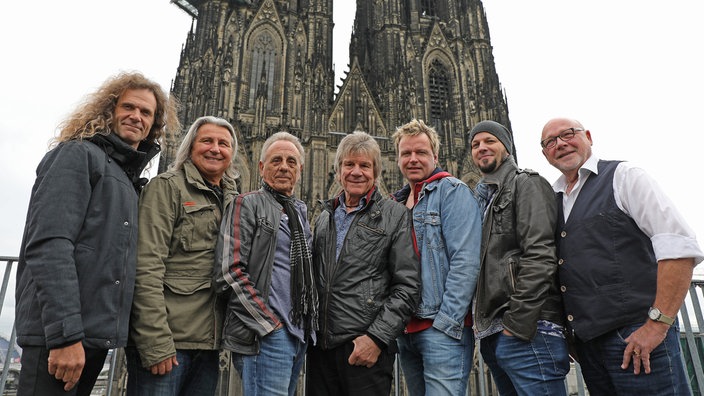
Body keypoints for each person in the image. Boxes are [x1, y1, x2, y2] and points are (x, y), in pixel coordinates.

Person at [15, 71, 176, 396]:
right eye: (128, 107)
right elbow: (50, 246)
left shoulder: (120, 174)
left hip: (90, 336)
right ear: (109, 111)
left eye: (146, 112)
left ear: (154, 125)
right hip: (60, 337)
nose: (136, 116)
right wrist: (64, 336)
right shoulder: (77, 155)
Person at [540, 117, 704, 395]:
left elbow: (679, 247)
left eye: (568, 134)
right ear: (545, 153)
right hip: (589, 349)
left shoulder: (624, 176)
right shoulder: (552, 198)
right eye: (550, 142)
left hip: (639, 337)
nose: (561, 144)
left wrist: (657, 324)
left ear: (588, 136)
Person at [126, 116, 238, 395]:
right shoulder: (166, 187)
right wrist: (154, 342)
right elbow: (145, 265)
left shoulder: (231, 199)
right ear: (189, 148)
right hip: (168, 344)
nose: (215, 149)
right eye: (207, 141)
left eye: (223, 143)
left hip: (208, 346)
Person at [306, 131, 420, 396]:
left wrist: (376, 339)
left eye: (364, 165)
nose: (356, 172)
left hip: (365, 348)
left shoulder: (395, 216)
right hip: (321, 350)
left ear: (376, 171)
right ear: (338, 171)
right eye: (349, 164)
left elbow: (408, 286)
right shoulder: (325, 217)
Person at [469, 120, 570, 395]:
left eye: (490, 141)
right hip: (496, 333)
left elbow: (541, 255)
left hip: (528, 330)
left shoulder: (527, 183)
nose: (482, 148)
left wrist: (517, 324)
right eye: (475, 144)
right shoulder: (482, 199)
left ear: (507, 146)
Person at [213, 131, 316, 395]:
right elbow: (229, 271)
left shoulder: (299, 212)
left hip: (297, 335)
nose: (284, 167)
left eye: (291, 162)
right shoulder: (246, 204)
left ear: (300, 169)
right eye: (276, 160)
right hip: (267, 336)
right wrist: (268, 324)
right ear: (261, 167)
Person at [390, 119, 481, 395]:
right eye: (406, 153)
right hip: (407, 331)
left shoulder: (452, 191)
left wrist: (446, 324)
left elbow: (466, 263)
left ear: (435, 156)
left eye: (421, 153)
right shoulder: (397, 203)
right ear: (397, 159)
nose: (413, 159)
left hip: (439, 329)